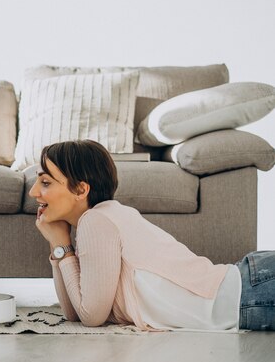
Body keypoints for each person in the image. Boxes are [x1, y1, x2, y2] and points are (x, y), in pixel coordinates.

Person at [30, 139, 275, 332]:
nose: (33, 192)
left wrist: (62, 245)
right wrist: (58, 245)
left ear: (81, 189)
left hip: (252, 291)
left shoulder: (97, 221)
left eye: (45, 182)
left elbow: (90, 316)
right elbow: (75, 312)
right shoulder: (101, 218)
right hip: (251, 289)